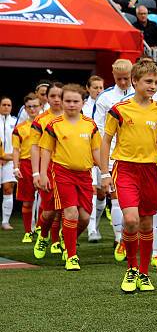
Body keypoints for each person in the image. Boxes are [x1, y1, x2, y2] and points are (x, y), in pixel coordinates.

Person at [100, 58, 157, 293]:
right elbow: (106, 140)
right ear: (134, 81)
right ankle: (131, 269)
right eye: (148, 81)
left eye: (156, 82)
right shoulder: (119, 109)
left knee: (147, 222)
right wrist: (104, 172)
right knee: (131, 220)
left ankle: (144, 273)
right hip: (126, 169)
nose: (153, 86)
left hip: (151, 170)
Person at [39, 84, 101, 271]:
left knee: (84, 217)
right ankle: (71, 256)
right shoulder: (54, 124)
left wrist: (106, 172)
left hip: (85, 175)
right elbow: (46, 150)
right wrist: (42, 173)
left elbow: (96, 150)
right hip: (62, 173)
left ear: (83, 103)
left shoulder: (90, 124)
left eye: (75, 101)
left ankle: (68, 240)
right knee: (71, 213)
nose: (71, 104)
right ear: (62, 102)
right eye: (68, 101)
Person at [93, 59, 134, 261]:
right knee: (116, 197)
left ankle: (139, 238)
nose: (124, 82)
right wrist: (102, 161)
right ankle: (120, 240)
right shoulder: (105, 98)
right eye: (119, 79)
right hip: (114, 154)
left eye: (126, 78)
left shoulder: (142, 93)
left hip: (139, 153)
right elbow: (99, 130)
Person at [31, 82, 64, 260]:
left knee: (67, 209)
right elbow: (35, 147)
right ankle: (43, 236)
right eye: (53, 96)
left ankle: (60, 242)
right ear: (46, 97)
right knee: (50, 210)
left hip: (68, 168)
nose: (57, 100)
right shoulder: (40, 119)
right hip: (48, 169)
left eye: (60, 96)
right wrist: (37, 173)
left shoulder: (75, 116)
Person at [12, 94, 41, 242]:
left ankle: (43, 230)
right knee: (27, 200)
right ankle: (28, 232)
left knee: (47, 201)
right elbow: (16, 149)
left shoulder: (46, 124)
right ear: (25, 108)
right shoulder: (19, 128)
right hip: (25, 165)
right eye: (29, 106)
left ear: (40, 106)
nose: (32, 109)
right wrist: (16, 167)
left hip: (44, 164)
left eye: (35, 106)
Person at [83, 75, 106, 243]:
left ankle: (96, 225)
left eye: (101, 87)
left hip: (103, 152)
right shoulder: (82, 106)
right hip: (86, 152)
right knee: (91, 190)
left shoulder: (107, 102)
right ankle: (91, 229)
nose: (98, 90)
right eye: (95, 87)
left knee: (102, 193)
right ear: (88, 88)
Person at [0, 97, 17, 231]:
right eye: (4, 104)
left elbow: (19, 141)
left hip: (10, 159)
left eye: (9, 105)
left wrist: (8, 156)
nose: (6, 107)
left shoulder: (15, 121)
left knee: (8, 188)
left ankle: (5, 221)